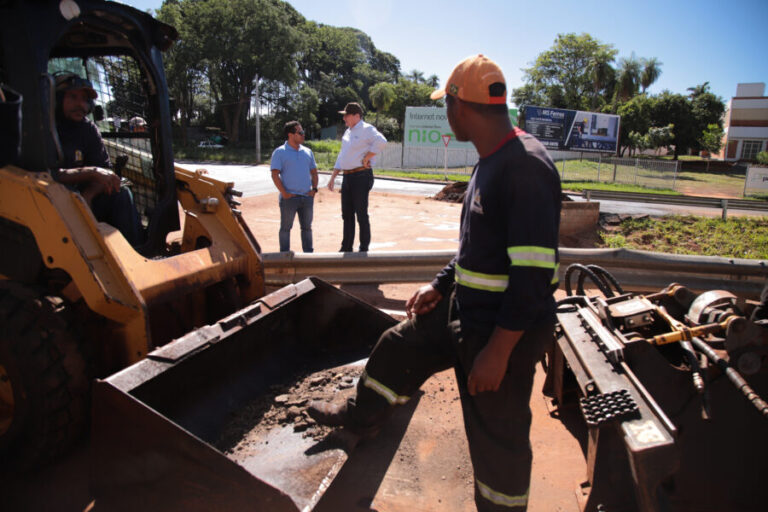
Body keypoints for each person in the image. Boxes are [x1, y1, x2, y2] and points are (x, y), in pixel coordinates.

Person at [308, 55, 561, 511]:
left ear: (457, 105)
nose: (446, 113)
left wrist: (498, 352)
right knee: (399, 345)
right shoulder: (491, 160)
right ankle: (362, 416)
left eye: (445, 105)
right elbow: (473, 249)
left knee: (496, 441)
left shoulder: (525, 167)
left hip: (502, 329)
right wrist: (442, 285)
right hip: (467, 308)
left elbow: (533, 278)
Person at [53, 72, 143, 246]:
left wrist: (89, 194)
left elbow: (104, 170)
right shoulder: (45, 128)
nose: (81, 104)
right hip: (52, 202)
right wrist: (91, 173)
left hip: (85, 198)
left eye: (85, 99)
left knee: (121, 194)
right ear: (57, 98)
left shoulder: (88, 129)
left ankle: (135, 253)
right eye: (73, 97)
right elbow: (48, 174)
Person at [327, 102, 387, 252]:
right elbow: (342, 155)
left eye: (346, 115)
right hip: (347, 177)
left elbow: (382, 141)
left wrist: (368, 157)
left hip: (361, 175)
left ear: (356, 116)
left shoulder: (367, 129)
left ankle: (363, 248)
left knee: (361, 213)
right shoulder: (348, 132)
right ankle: (346, 247)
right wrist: (333, 176)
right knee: (346, 214)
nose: (344, 118)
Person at [270, 120, 319, 252]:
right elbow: (275, 175)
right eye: (300, 132)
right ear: (290, 135)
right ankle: (285, 256)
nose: (303, 135)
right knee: (285, 228)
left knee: (307, 228)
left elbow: (314, 173)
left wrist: (314, 190)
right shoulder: (280, 152)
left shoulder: (308, 152)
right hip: (289, 199)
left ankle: (308, 256)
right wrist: (284, 193)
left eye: (303, 132)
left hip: (307, 198)